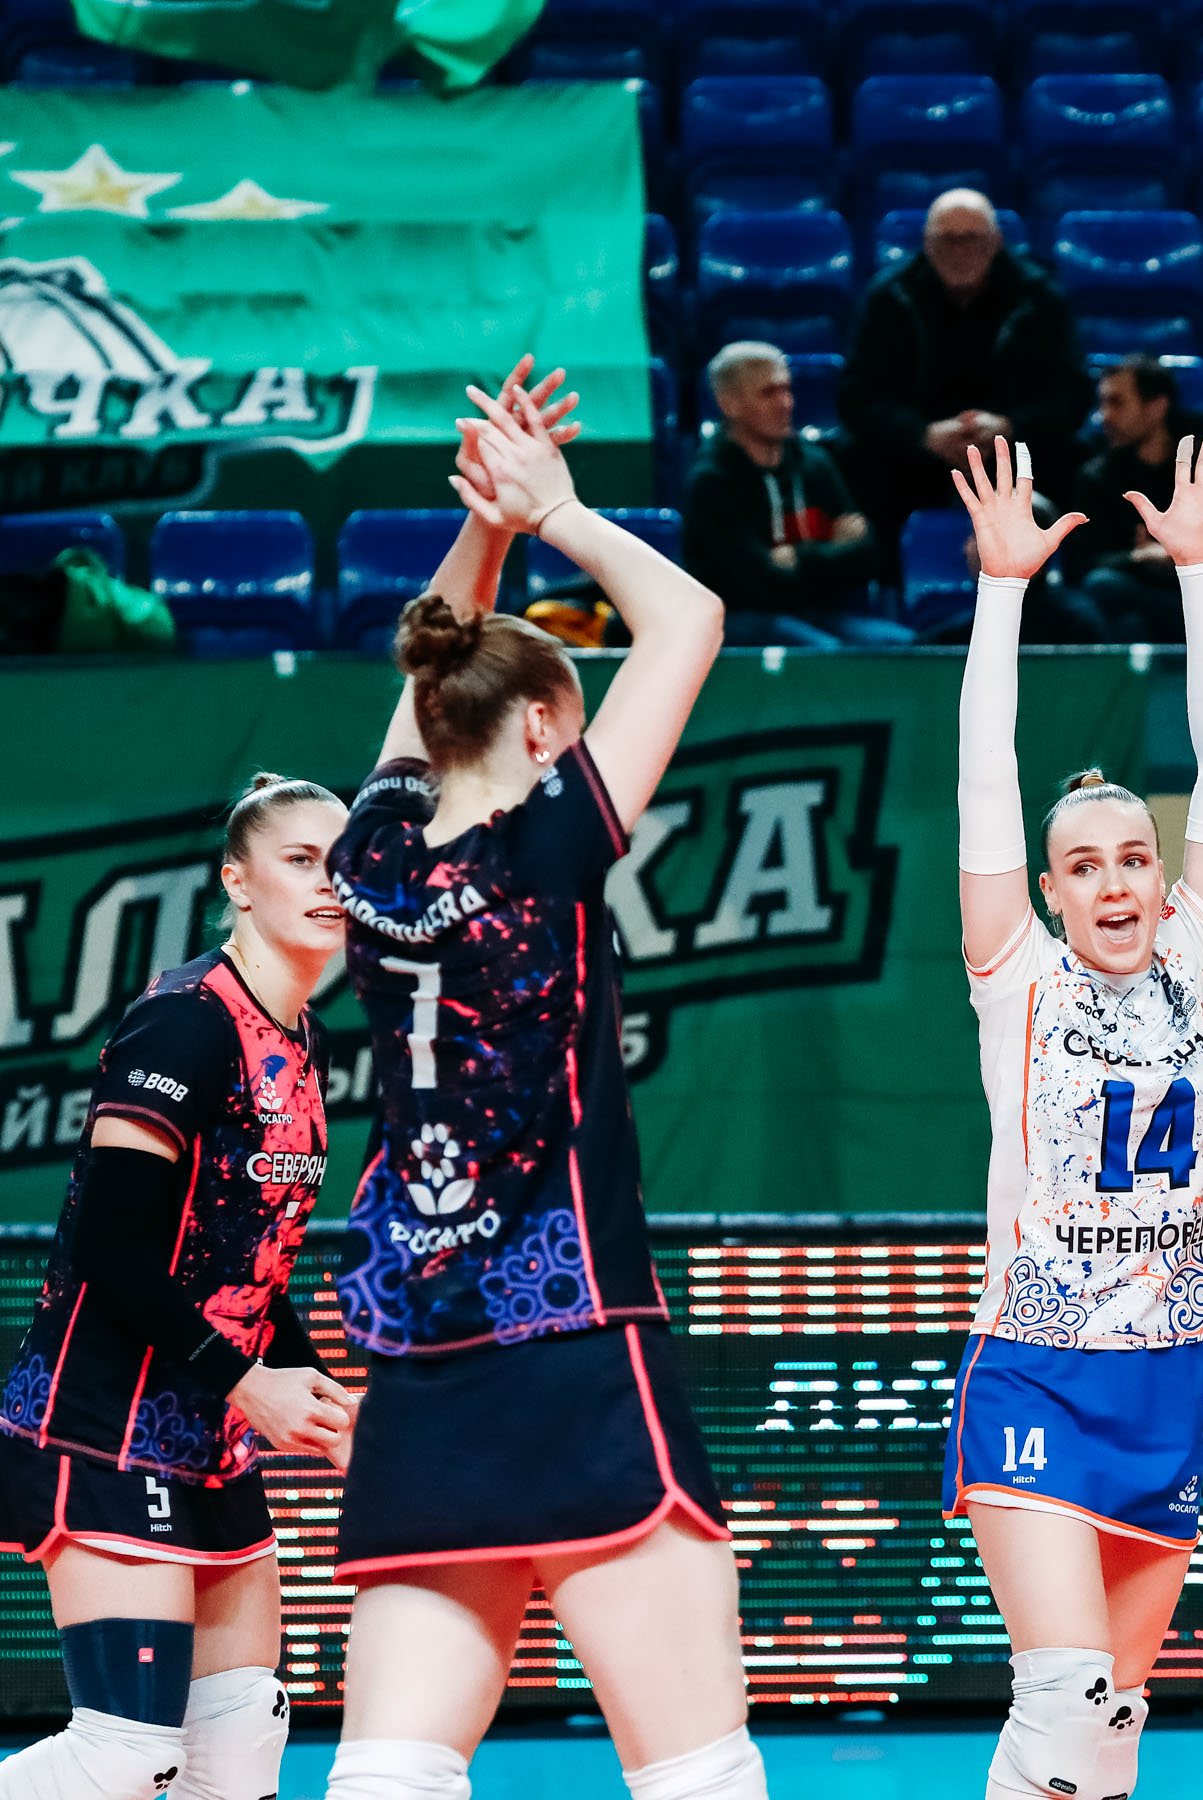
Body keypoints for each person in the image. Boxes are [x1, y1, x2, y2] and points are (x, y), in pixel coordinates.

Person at [321, 358, 766, 1800]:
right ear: (538, 729)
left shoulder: (369, 857)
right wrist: (554, 508)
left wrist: (486, 527)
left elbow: (427, 672)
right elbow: (690, 619)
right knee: (699, 1776)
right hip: (571, 1346)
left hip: (417, 1364)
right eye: (568, 715)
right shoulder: (548, 845)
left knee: (389, 1775)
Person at [942, 430, 1203, 1800]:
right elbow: (983, 777)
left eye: (1136, 857)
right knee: (1064, 1694)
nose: (1117, 882)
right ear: (1052, 889)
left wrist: (1202, 575)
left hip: (1166, 1370)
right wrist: (1002, 593)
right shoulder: (1015, 974)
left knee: (1112, 1729)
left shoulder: (1199, 954)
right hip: (1037, 1364)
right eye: (1086, 865)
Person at [0, 774, 355, 1800]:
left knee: (239, 1748)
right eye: (300, 861)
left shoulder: (302, 1037)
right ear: (236, 882)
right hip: (103, 1426)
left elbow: (247, 1263)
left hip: (207, 1435)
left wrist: (323, 1400)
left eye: (343, 863)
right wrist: (250, 1383)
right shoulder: (184, 1022)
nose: (328, 884)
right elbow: (112, 1248)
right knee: (124, 1754)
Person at [838, 190, 1095, 556]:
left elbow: (1073, 395)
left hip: (1016, 448)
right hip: (917, 450)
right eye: (947, 240)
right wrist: (923, 434)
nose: (959, 251)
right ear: (927, 243)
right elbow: (856, 396)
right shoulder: (889, 297)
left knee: (1077, 459)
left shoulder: (1039, 297)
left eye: (971, 238)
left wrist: (1009, 427)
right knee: (857, 459)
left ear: (995, 241)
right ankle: (886, 575)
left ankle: (1055, 578)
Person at [680, 341, 909, 647]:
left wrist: (797, 558)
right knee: (826, 654)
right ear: (729, 404)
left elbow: (869, 557)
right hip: (741, 623)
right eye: (768, 393)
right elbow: (754, 584)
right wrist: (832, 551)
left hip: (817, 612)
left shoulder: (814, 462)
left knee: (901, 645)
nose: (786, 403)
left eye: (786, 389)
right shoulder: (711, 481)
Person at [1066, 357, 1203, 643]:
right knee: (1111, 599)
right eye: (1102, 403)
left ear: (1156, 407)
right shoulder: (1098, 476)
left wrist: (1188, 554)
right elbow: (1080, 564)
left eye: (1117, 403)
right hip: (1141, 598)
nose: (1104, 416)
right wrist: (1138, 557)